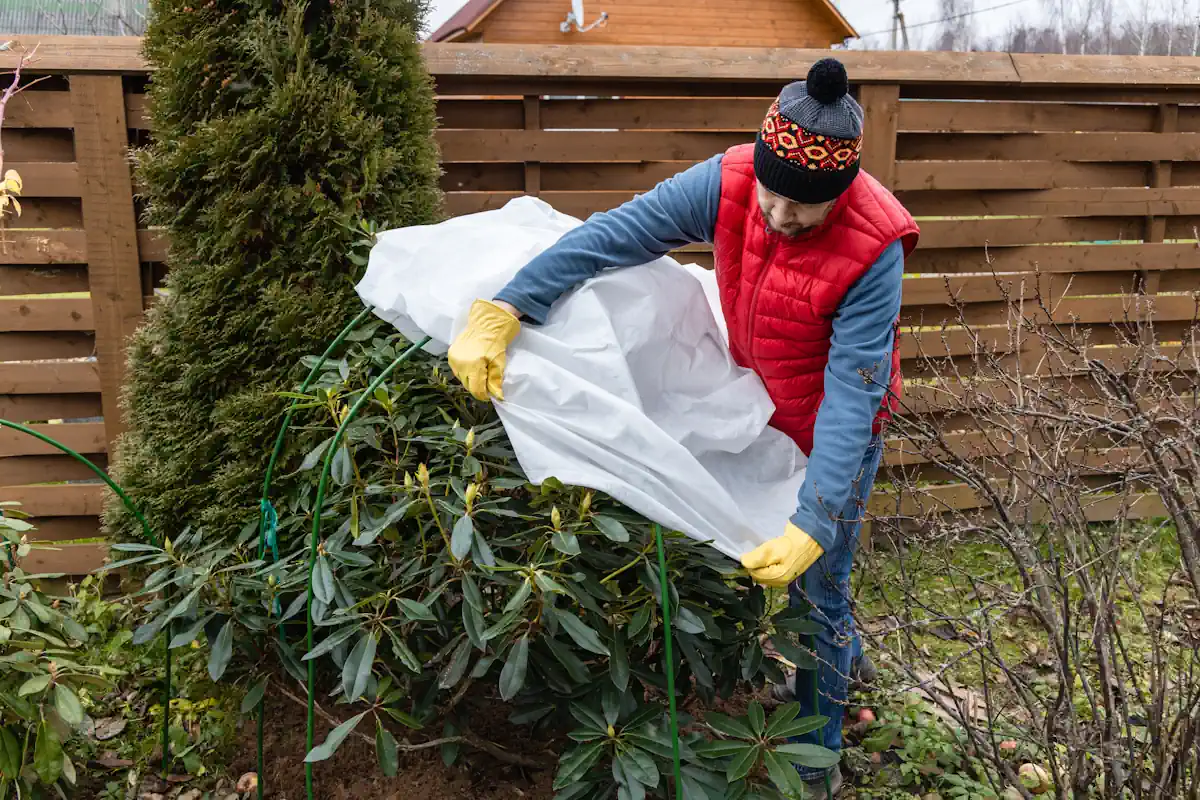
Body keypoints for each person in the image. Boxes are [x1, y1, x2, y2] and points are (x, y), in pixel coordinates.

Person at [446, 57, 918, 798]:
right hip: (762, 401)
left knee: (817, 585)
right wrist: (510, 306)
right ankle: (849, 657)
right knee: (822, 579)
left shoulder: (875, 245)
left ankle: (815, 759)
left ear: (843, 193)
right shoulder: (729, 184)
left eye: (805, 208)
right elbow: (616, 235)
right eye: (774, 194)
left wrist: (815, 517)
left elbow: (852, 397)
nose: (781, 217)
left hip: (839, 423)